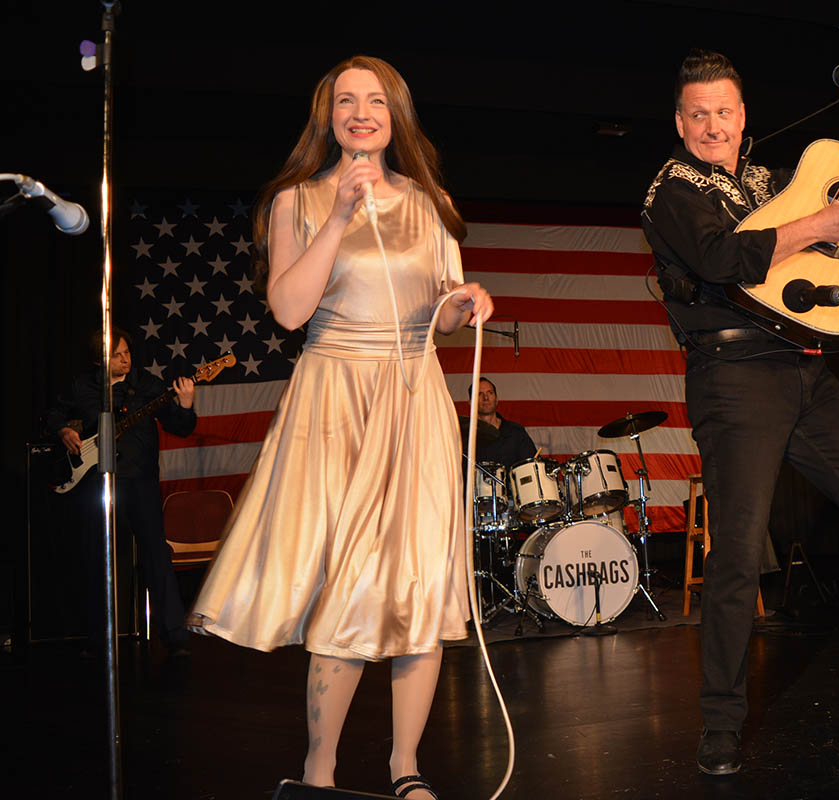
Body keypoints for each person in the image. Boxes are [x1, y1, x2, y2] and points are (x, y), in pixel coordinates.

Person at [641, 50, 839, 776]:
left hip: (804, 365)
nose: (712, 124)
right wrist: (816, 225)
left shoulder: (765, 181)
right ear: (681, 123)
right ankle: (720, 720)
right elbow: (723, 260)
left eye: (724, 111)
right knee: (741, 548)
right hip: (732, 374)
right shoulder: (671, 187)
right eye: (698, 114)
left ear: (742, 116)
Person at [188, 56, 493, 800]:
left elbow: (441, 309)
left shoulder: (431, 202)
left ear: (397, 116)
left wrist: (465, 304)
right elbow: (290, 310)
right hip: (333, 400)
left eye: (376, 101)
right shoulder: (298, 200)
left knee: (419, 582)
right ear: (327, 117)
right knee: (346, 584)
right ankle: (319, 770)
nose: (362, 112)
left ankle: (406, 766)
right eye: (346, 101)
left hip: (412, 397)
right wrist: (338, 219)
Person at [47, 330, 197, 656]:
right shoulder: (83, 386)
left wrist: (185, 405)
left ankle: (174, 638)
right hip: (98, 483)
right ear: (101, 358)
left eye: (127, 352)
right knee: (97, 559)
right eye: (117, 354)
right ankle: (98, 639)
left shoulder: (147, 385)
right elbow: (54, 413)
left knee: (156, 556)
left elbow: (180, 426)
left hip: (140, 481)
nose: (125, 359)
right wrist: (64, 430)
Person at [472, 376, 536, 468]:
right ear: (471, 402)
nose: (485, 398)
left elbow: (531, 467)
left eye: (490, 393)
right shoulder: (465, 436)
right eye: (479, 394)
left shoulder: (515, 431)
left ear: (497, 399)